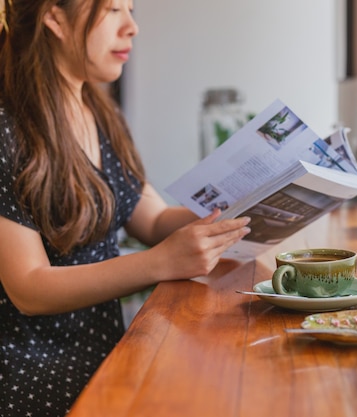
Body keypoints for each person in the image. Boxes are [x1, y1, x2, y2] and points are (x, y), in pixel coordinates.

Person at [0, 1, 252, 416]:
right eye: (114, 9)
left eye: (131, 9)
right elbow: (28, 288)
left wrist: (243, 197)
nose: (132, 27)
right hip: (35, 380)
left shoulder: (102, 113)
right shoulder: (8, 128)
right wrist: (158, 264)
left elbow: (152, 218)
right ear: (55, 17)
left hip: (108, 361)